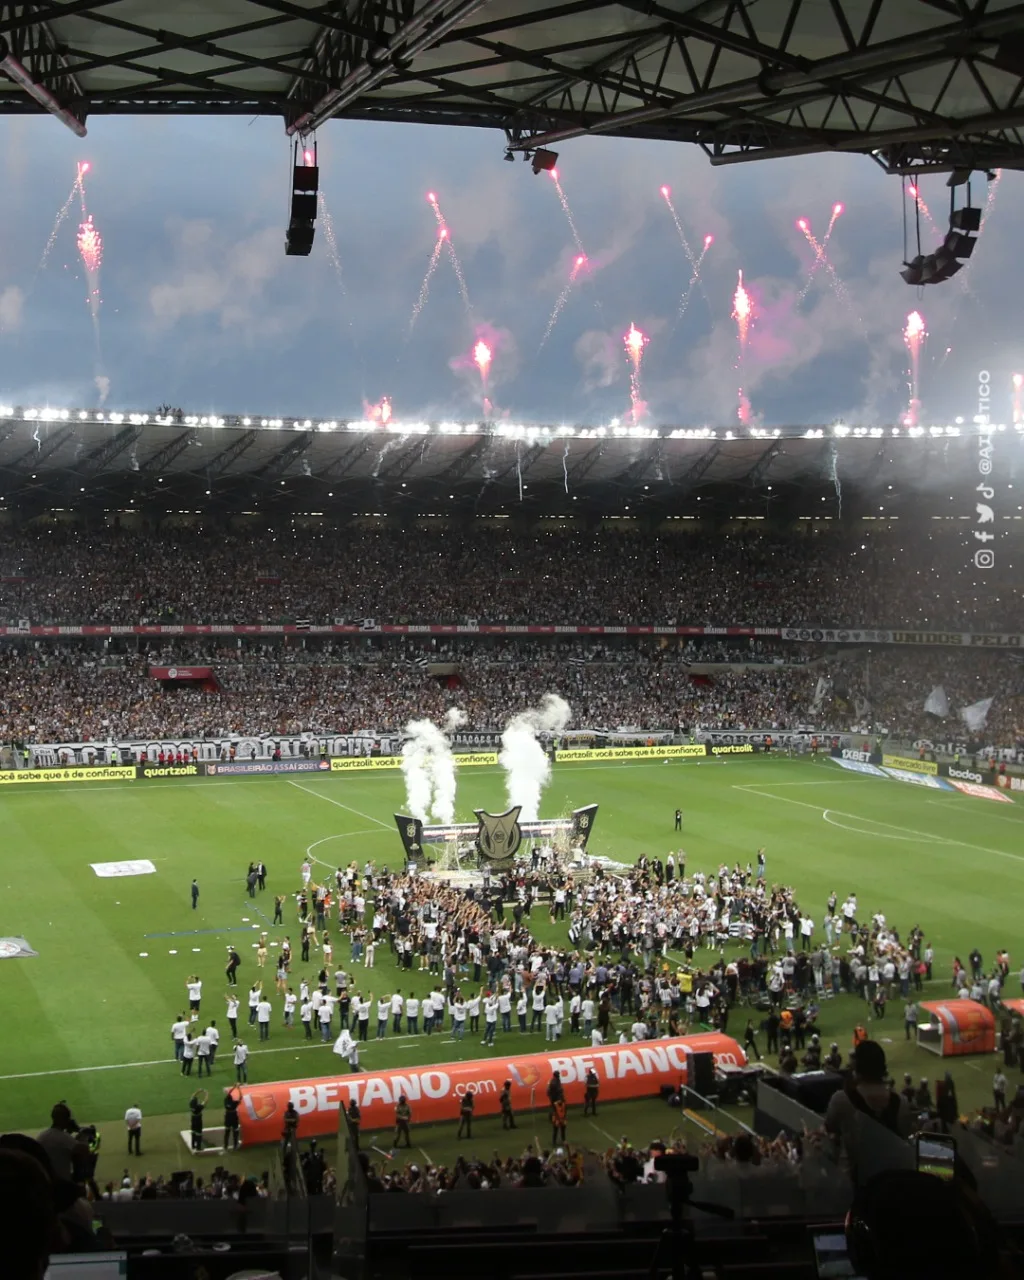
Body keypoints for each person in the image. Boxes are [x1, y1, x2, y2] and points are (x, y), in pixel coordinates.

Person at [825, 1040, 913, 1167]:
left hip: (856, 1180)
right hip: (893, 1177)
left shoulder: (841, 1100)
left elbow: (830, 1132)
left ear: (856, 1067)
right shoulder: (902, 1103)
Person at [224, 1085, 242, 1150]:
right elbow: (240, 1098)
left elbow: (229, 1093)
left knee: (227, 1132)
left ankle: (225, 1146)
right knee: (235, 1131)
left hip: (228, 1117)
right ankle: (235, 1146)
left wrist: (234, 1087)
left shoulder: (225, 1101)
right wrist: (239, 1089)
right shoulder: (234, 1103)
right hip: (234, 1117)